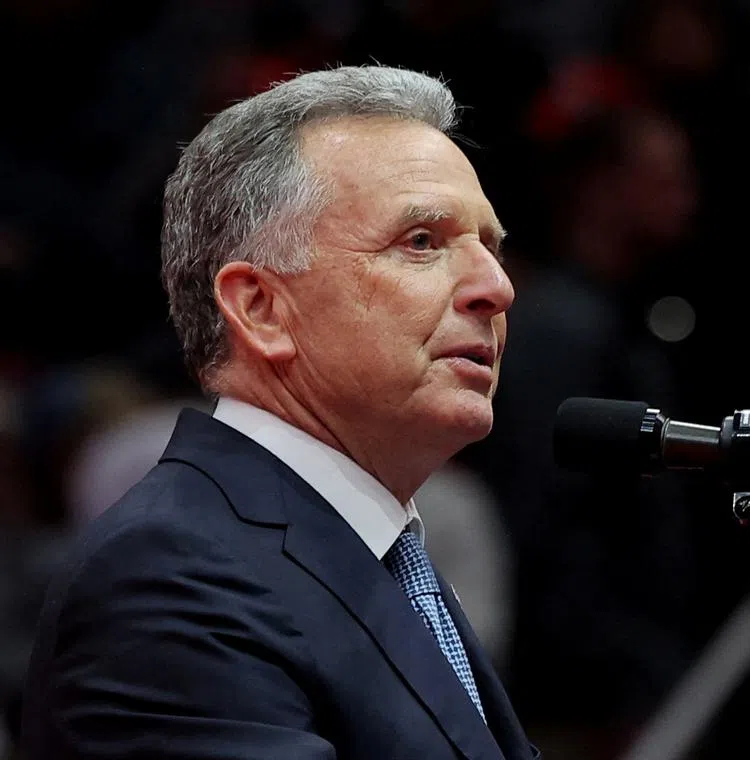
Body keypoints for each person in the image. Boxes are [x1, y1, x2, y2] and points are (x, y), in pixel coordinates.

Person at [20, 64, 537, 760]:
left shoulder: (381, 553)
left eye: (491, 247)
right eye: (421, 242)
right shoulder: (171, 576)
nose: (496, 287)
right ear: (261, 309)